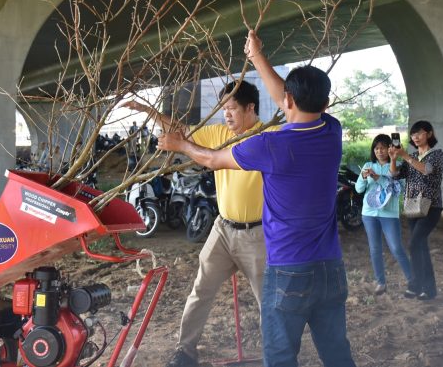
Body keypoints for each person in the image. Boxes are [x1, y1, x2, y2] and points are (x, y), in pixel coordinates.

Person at [158, 29, 356, 367]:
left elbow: (211, 159)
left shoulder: (271, 144)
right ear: (325, 105)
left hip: (289, 269)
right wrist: (257, 57)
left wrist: (181, 146)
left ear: (288, 101)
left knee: (279, 356)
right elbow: (289, 100)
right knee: (337, 353)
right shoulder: (330, 131)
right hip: (330, 269)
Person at [122, 81, 276, 367]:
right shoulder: (219, 133)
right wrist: (147, 110)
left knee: (267, 300)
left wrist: (180, 144)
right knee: (200, 290)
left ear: (250, 108)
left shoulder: (268, 136)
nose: (226, 115)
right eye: (223, 109)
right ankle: (185, 352)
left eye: (231, 109)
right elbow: (181, 131)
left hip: (256, 234)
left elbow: (200, 153)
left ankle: (276, 355)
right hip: (222, 229)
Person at [388, 120, 443, 301]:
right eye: (413, 135)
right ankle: (428, 290)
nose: (416, 137)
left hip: (431, 206)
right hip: (413, 205)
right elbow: (395, 175)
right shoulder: (411, 155)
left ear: (429, 134)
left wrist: (405, 156)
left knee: (414, 244)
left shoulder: (437, 154)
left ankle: (415, 285)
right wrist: (393, 158)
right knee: (420, 246)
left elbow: (426, 170)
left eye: (419, 133)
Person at [356, 134, 412, 296]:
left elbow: (398, 190)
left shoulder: (399, 166)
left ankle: (412, 280)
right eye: (376, 148)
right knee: (375, 249)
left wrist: (378, 178)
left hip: (389, 214)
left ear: (390, 148)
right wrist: (363, 177)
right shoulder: (368, 165)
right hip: (369, 213)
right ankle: (380, 283)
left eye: (383, 147)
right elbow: (359, 190)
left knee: (396, 247)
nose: (379, 151)